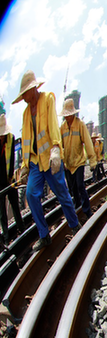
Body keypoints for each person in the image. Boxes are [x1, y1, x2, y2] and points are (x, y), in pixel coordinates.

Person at [12, 70, 81, 251]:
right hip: (35, 162)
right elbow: (27, 140)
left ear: (32, 89)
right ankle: (44, 235)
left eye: (25, 94)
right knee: (31, 194)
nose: (25, 99)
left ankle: (75, 226)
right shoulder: (26, 113)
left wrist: (56, 149)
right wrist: (25, 165)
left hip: (50, 158)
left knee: (62, 193)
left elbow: (52, 125)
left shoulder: (47, 100)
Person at [59, 98, 97, 221]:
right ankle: (77, 207)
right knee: (72, 188)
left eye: (69, 115)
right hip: (68, 164)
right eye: (65, 115)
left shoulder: (80, 124)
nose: (67, 118)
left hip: (79, 161)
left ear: (73, 114)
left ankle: (87, 211)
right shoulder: (62, 128)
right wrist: (62, 161)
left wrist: (92, 160)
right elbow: (60, 146)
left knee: (80, 186)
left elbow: (87, 142)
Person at [0, 114, 25, 245]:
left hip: (9, 179)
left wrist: (11, 177)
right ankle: (5, 238)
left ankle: (22, 228)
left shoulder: (11, 138)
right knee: (1, 212)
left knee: (15, 204)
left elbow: (12, 158)